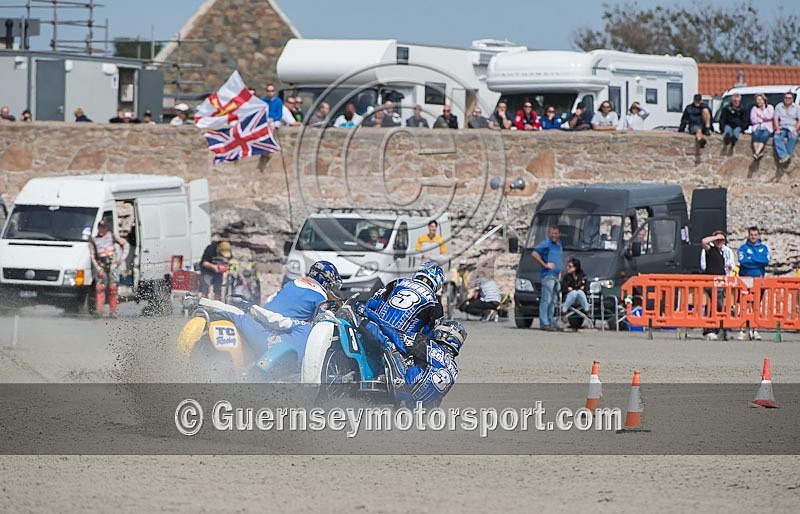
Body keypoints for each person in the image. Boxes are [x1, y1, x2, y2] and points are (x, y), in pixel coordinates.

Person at [208, 260, 341, 372]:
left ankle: (200, 303)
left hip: (256, 322)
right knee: (308, 330)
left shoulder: (292, 283)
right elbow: (319, 323)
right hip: (275, 336)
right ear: (326, 280)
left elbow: (271, 300)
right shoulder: (319, 296)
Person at [89, 219, 130, 318]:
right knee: (100, 288)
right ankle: (99, 311)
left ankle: (113, 311)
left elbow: (126, 245)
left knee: (113, 288)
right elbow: (92, 256)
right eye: (100, 227)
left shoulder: (112, 236)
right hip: (101, 265)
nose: (102, 229)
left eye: (104, 227)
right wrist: (98, 269)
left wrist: (122, 259)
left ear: (106, 228)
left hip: (113, 265)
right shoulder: (93, 240)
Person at [700, 231, 735, 341]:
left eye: (722, 240)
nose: (720, 242)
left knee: (720, 305)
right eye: (718, 240)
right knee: (715, 305)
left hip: (721, 283)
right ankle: (711, 329)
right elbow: (704, 242)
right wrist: (715, 237)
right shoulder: (710, 250)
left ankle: (719, 329)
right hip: (712, 283)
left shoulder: (722, 253)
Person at [737, 226, 769, 340]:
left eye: (755, 235)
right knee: (744, 304)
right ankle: (742, 329)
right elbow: (743, 261)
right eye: (751, 235)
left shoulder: (763, 248)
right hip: (745, 280)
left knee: (756, 305)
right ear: (748, 235)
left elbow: (765, 261)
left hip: (758, 280)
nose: (753, 237)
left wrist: (752, 258)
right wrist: (757, 260)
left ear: (758, 235)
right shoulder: (743, 248)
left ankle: (754, 329)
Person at [532, 226, 563, 331]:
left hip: (556, 275)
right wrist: (545, 264)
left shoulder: (559, 244)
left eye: (556, 233)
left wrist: (560, 271)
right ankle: (544, 322)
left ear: (559, 234)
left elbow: (559, 259)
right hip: (548, 275)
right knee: (546, 299)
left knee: (554, 300)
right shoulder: (546, 244)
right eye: (552, 233)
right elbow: (535, 253)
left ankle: (552, 321)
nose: (554, 235)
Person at [773, 91, 800, 165]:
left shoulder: (797, 107)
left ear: (792, 99)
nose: (787, 99)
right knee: (777, 137)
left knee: (793, 138)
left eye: (789, 98)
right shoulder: (779, 106)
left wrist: (795, 130)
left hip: (793, 127)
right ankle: (784, 155)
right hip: (782, 127)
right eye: (786, 98)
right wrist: (777, 129)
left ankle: (787, 156)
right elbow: (776, 118)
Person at [749, 93, 774, 161]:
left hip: (767, 127)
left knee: (764, 135)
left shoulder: (769, 107)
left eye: (760, 100)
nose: (758, 101)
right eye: (757, 100)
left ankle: (756, 152)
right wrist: (762, 119)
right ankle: (757, 153)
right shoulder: (754, 108)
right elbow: (753, 119)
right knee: (755, 135)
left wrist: (760, 115)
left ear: (764, 100)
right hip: (757, 126)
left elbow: (770, 116)